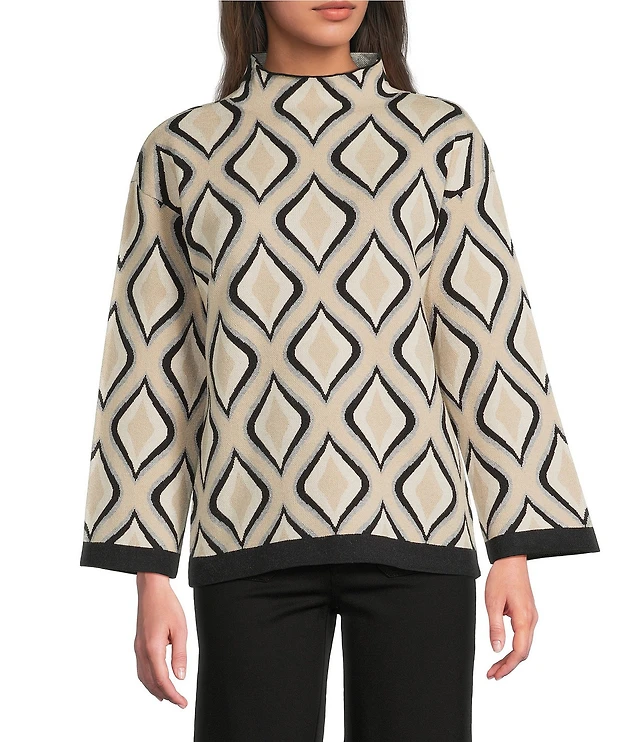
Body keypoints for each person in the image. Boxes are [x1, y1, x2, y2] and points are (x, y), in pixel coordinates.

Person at [79, 2, 600, 740]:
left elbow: (487, 336)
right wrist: (150, 576)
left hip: (418, 527)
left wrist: (513, 549)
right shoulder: (182, 151)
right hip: (246, 529)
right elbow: (151, 362)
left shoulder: (439, 137)